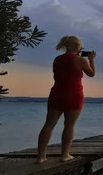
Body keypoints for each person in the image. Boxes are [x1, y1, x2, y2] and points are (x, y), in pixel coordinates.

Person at [36, 35, 96, 163]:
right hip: (74, 95)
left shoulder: (57, 59)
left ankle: (41, 156)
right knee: (69, 125)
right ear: (77, 46)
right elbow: (91, 74)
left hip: (56, 94)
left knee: (48, 125)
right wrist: (91, 60)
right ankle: (64, 155)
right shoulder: (81, 60)